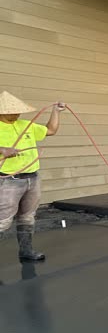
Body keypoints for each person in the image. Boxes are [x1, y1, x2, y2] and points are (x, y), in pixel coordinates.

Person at [0, 92, 67, 262]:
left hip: (32, 178)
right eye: (11, 111)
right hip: (8, 180)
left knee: (27, 216)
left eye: (17, 111)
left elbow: (51, 130)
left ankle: (26, 251)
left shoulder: (26, 125)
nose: (16, 114)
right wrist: (2, 150)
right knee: (3, 221)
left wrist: (56, 112)